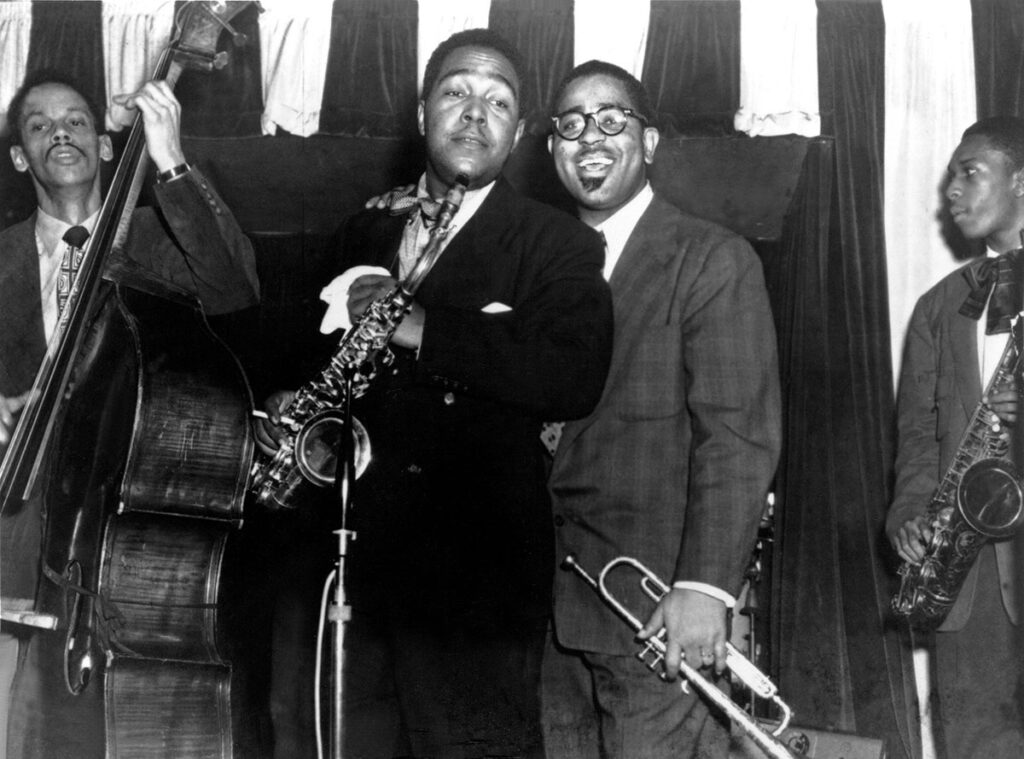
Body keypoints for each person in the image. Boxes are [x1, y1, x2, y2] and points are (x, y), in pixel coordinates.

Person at [258, 29, 613, 759]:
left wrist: (422, 326)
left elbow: (572, 374)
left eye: (498, 101)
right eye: (457, 92)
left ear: (518, 132)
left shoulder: (559, 244)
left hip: (472, 582)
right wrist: (288, 404)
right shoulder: (361, 227)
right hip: (347, 567)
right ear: (423, 113)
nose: (475, 113)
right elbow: (309, 356)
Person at [0, 69, 259, 756]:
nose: (62, 130)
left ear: (110, 146)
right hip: (12, 538)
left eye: (79, 119)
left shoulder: (160, 243)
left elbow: (234, 291)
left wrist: (170, 158)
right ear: (20, 158)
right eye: (39, 123)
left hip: (113, 553)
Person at [540, 60, 782, 759]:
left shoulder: (712, 259)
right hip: (551, 618)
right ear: (552, 146)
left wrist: (705, 587)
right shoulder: (539, 266)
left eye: (612, 119)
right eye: (572, 123)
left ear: (648, 143)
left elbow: (737, 436)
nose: (591, 136)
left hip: (657, 617)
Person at [887, 116, 1024, 759]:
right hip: (969, 580)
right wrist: (908, 514)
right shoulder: (938, 305)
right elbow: (915, 432)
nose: (952, 190)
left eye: (971, 172)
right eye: (951, 177)